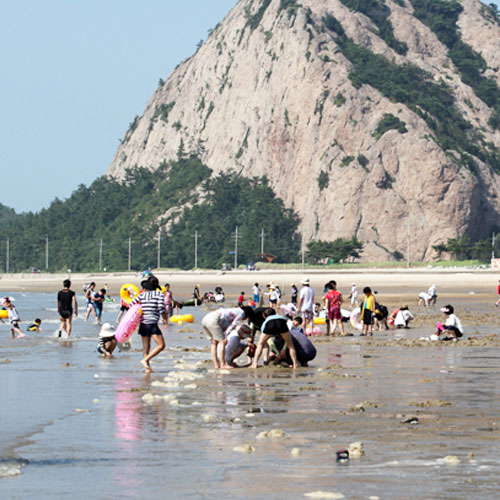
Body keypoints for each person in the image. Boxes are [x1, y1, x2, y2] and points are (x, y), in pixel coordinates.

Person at [131, 276, 168, 372]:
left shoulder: (142, 295)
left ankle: (147, 369)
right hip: (152, 323)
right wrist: (165, 319)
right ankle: (145, 360)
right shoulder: (159, 294)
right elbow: (161, 308)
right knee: (161, 345)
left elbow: (132, 304)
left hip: (143, 323)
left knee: (146, 347)